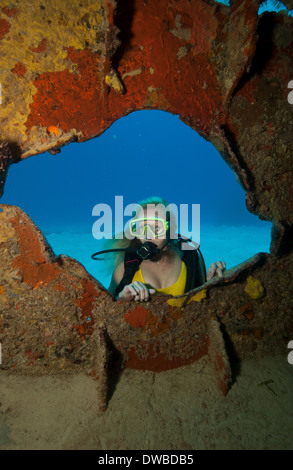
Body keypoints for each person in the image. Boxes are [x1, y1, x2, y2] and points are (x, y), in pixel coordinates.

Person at [106, 197, 225, 301]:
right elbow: (108, 306)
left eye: (157, 227)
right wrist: (121, 299)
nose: (148, 235)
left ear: (171, 229)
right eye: (141, 228)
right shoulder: (124, 269)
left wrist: (211, 286)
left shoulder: (191, 260)